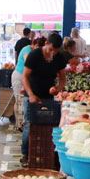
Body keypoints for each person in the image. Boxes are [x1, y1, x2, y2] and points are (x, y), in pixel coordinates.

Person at [21, 33, 67, 164]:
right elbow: (24, 76)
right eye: (51, 49)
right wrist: (30, 94)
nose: (52, 53)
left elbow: (63, 78)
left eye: (56, 51)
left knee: (48, 125)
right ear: (46, 43)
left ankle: (45, 153)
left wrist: (57, 88)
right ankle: (25, 154)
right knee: (30, 124)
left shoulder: (59, 58)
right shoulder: (34, 55)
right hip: (32, 95)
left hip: (48, 97)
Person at [11, 37, 44, 130]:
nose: (38, 49)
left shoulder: (35, 51)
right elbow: (28, 63)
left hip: (26, 78)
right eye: (37, 46)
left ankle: (22, 123)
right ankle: (19, 123)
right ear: (33, 44)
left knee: (22, 100)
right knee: (19, 100)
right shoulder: (27, 49)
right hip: (19, 76)